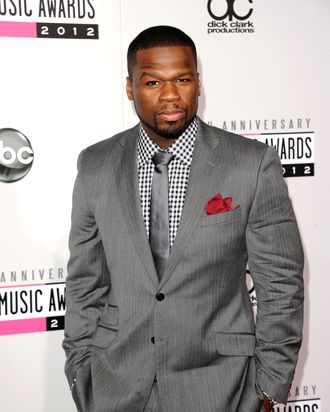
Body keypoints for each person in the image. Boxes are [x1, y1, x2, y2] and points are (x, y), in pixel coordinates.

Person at [63, 25, 304, 412]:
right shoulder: (95, 165)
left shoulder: (251, 164)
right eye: (153, 81)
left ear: (199, 83)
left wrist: (269, 386)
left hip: (222, 389)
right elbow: (84, 283)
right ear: (130, 88)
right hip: (116, 388)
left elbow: (281, 285)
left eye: (183, 79)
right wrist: (80, 370)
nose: (170, 95)